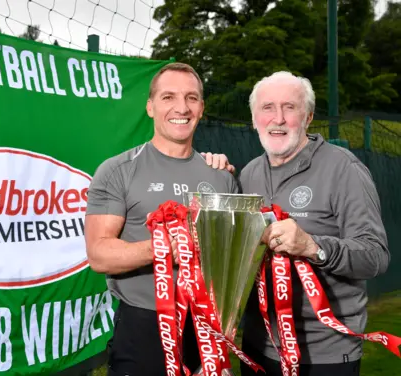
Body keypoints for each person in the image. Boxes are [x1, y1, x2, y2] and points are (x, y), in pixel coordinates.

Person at [84, 62, 238, 376]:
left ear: (202, 107)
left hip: (207, 326)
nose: (182, 107)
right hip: (144, 327)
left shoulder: (222, 176)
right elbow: (99, 255)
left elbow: (233, 257)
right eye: (168, 97)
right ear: (151, 107)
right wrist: (173, 245)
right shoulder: (117, 170)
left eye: (191, 98)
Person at [235, 71, 390, 376]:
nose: (277, 118)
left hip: (324, 355)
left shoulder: (343, 168)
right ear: (254, 119)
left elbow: (375, 256)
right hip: (258, 347)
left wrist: (313, 246)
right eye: (267, 108)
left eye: (289, 108)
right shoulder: (248, 174)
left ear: (307, 117)